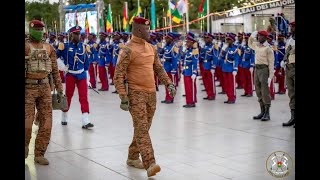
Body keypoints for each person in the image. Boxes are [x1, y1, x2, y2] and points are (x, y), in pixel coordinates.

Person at [114, 17, 176, 177]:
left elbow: (159, 69)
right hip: (135, 94)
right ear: (139, 30)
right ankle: (150, 163)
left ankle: (132, 157)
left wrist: (168, 83)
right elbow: (118, 75)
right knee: (142, 129)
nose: (150, 32)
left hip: (151, 94)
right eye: (147, 29)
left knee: (143, 128)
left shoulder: (151, 48)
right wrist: (122, 95)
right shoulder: (127, 49)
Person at [25, 20, 64, 165]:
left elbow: (55, 70)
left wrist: (60, 89)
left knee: (47, 123)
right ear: (31, 30)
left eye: (42, 29)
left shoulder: (49, 48)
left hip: (45, 88)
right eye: (37, 29)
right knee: (27, 123)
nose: (40, 32)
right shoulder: (25, 46)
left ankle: (39, 153)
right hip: (28, 88)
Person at [57, 26, 94, 129]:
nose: (78, 36)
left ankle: (85, 120)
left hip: (81, 74)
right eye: (76, 34)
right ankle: (64, 114)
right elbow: (55, 57)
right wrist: (63, 67)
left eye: (79, 34)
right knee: (68, 96)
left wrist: (88, 79)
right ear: (71, 35)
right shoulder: (64, 46)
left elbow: (87, 64)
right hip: (70, 74)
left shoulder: (84, 47)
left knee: (83, 97)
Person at [248, 30, 275, 121]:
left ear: (264, 37)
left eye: (260, 36)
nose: (258, 37)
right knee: (258, 90)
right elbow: (250, 44)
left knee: (265, 92)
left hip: (264, 70)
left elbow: (271, 64)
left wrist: (270, 77)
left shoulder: (268, 48)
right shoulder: (257, 46)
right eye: (258, 36)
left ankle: (267, 113)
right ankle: (262, 111)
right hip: (257, 69)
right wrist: (251, 36)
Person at [282, 21, 295, 128]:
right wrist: (284, 59)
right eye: (290, 26)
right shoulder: (290, 39)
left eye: (292, 26)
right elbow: (287, 51)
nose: (291, 28)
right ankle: (293, 117)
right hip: (289, 67)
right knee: (291, 93)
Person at [181, 36, 198, 107]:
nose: (186, 43)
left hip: (190, 73)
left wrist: (194, 72)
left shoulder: (194, 51)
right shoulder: (187, 50)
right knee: (187, 88)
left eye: (187, 42)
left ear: (191, 42)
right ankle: (188, 101)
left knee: (191, 88)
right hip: (186, 72)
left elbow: (195, 62)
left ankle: (192, 102)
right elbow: (183, 60)